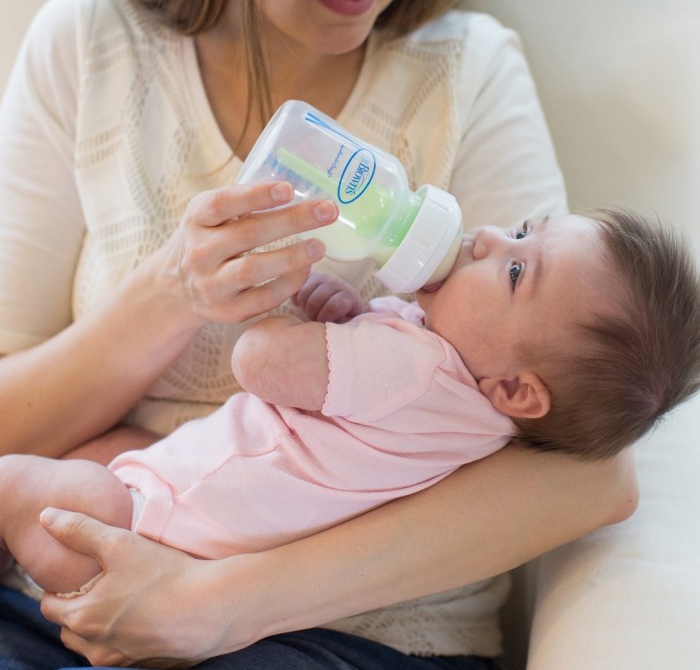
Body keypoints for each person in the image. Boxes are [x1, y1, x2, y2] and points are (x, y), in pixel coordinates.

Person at [0, 0, 639, 670]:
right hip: (68, 600)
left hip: (353, 637)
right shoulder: (90, 48)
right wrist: (172, 292)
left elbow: (586, 472)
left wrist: (217, 601)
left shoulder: (462, 73)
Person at [1, 207, 698, 599]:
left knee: (13, 481)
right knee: (99, 446)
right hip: (183, 537)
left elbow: (258, 361)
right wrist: (350, 319)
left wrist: (286, 304)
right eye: (522, 225)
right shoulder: (476, 415)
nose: (487, 237)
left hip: (139, 532)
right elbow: (361, 412)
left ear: (520, 388)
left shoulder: (416, 366)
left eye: (515, 269)